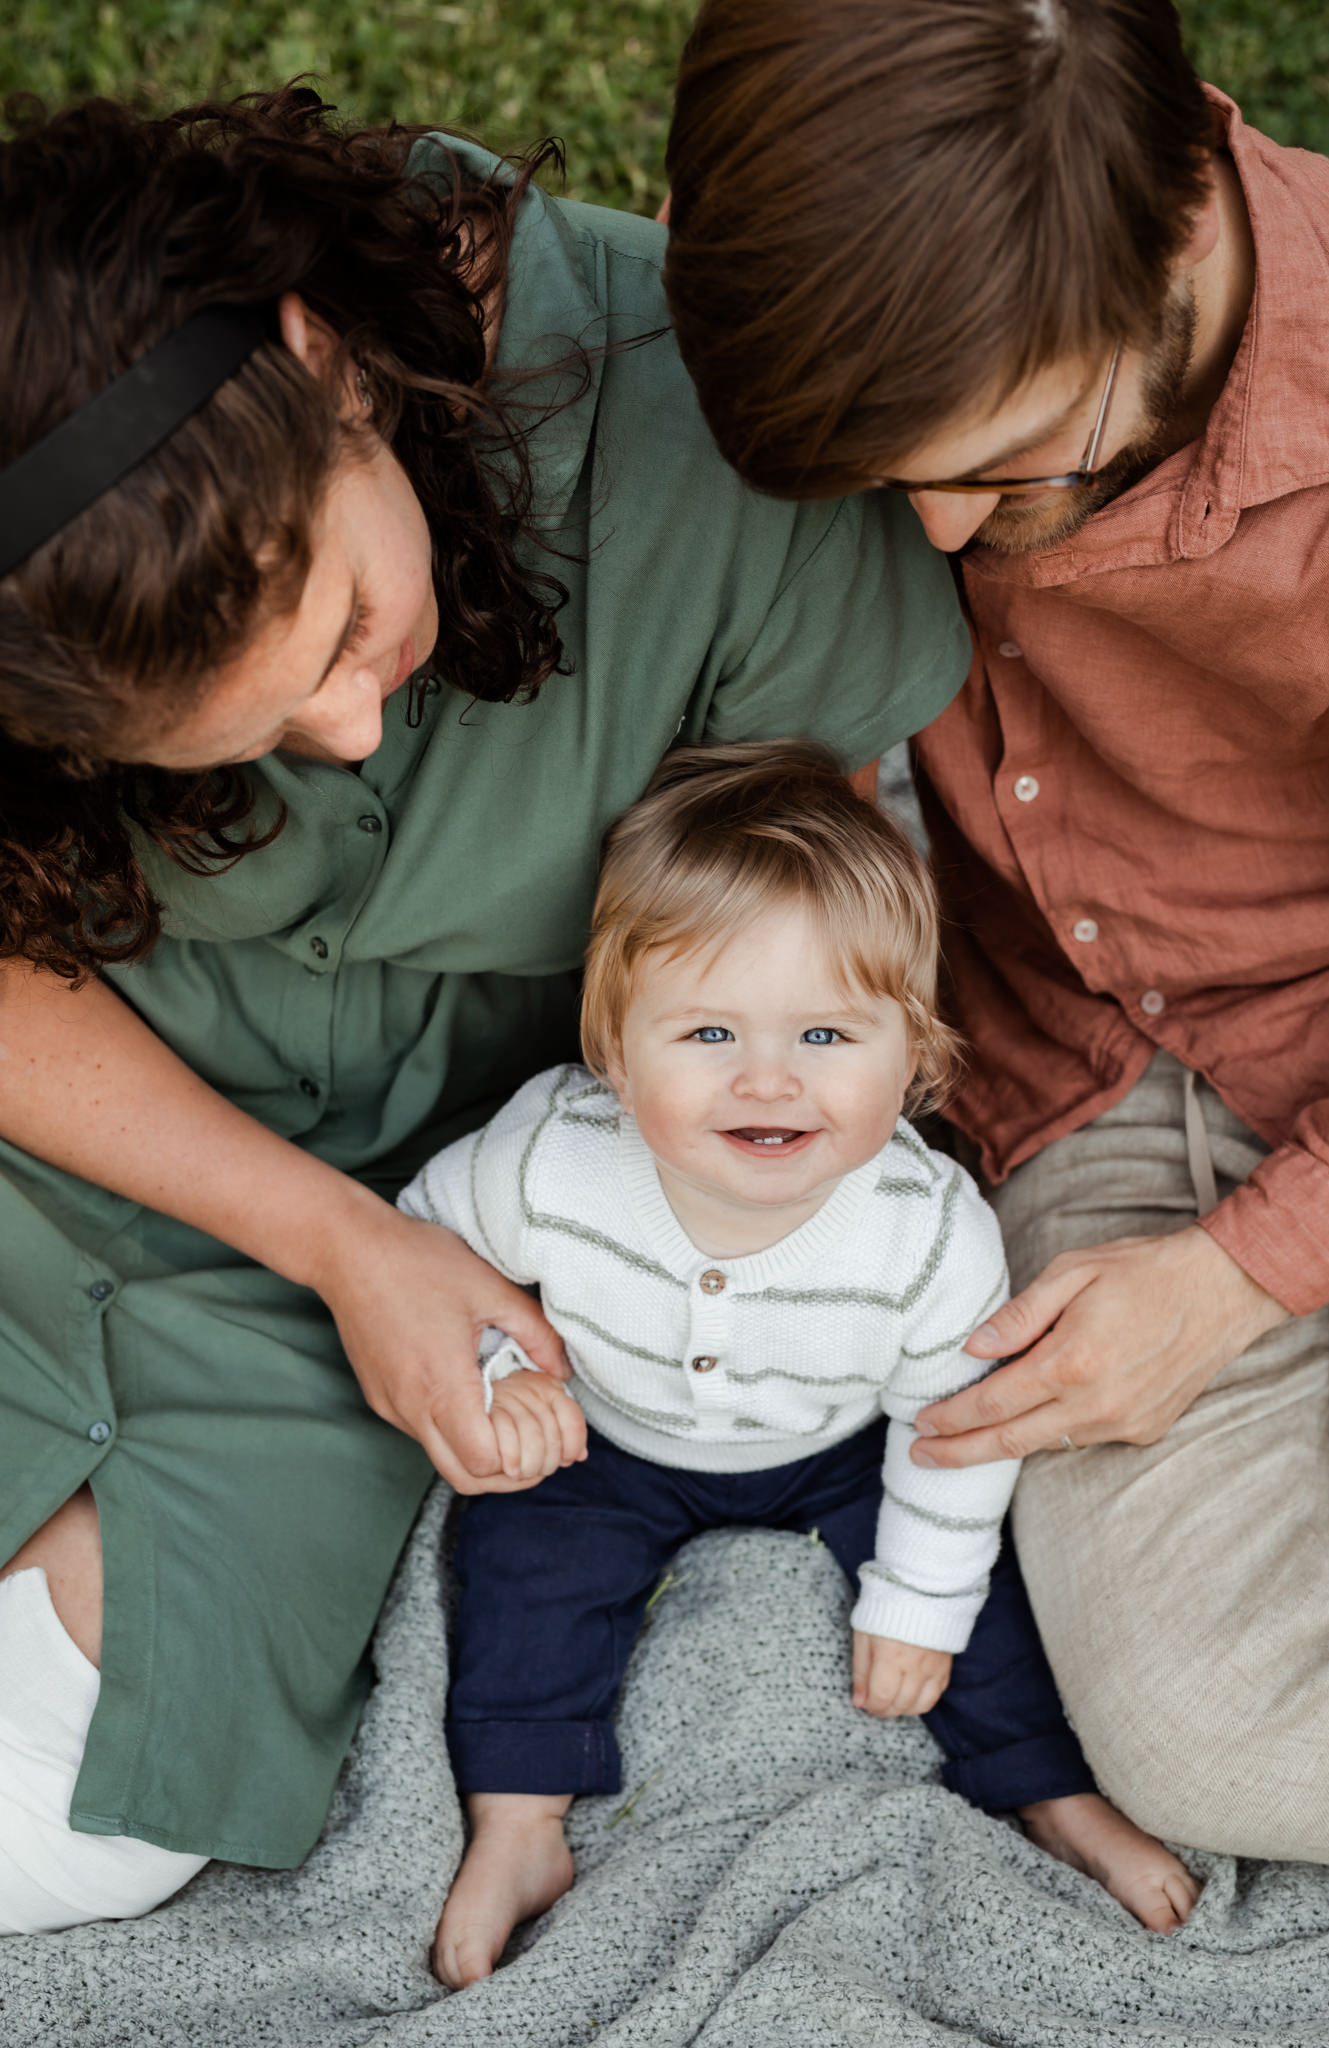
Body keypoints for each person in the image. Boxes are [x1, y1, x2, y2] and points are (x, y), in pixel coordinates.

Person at [0, 88, 974, 1932]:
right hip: (90, 1096)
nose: (352, 731)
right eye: (251, 743)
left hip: (389, 1221)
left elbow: (802, 902)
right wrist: (328, 1235)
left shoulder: (714, 453)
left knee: (86, 1813)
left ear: (327, 360)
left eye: (344, 636)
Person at [660, 0, 1329, 1863]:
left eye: (1015, 466)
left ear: (1184, 238)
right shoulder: (856, 277)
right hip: (1086, 1070)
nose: (950, 532)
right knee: (1208, 1733)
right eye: (890, 479)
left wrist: (1243, 1275)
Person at [399, 741, 1199, 1987]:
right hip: (609, 1429)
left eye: (828, 1031)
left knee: (976, 1604)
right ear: (613, 1044)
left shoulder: (927, 1230)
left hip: (845, 1447)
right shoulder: (551, 1154)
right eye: (709, 1028)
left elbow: (952, 1428)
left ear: (915, 1050)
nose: (768, 1076)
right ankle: (521, 1819)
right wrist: (505, 1366)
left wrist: (919, 1602)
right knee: (520, 1564)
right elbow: (426, 1250)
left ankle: (1048, 1792)